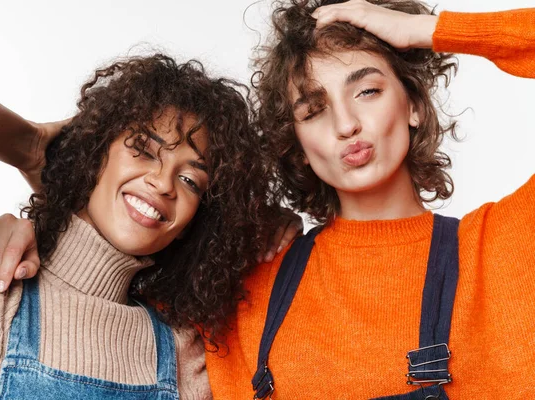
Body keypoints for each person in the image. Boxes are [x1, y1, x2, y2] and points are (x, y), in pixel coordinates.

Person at [205, 0, 535, 398]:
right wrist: (238, 225)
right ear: (298, 147)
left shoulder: (510, 245)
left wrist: (425, 31)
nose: (346, 124)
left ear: (413, 104)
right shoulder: (249, 282)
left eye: (367, 90)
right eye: (313, 111)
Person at [0, 54, 301, 399]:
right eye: (143, 148)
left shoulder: (184, 352)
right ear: (93, 154)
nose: (162, 183)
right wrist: (31, 146)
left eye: (190, 180)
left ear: (193, 224)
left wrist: (257, 225)